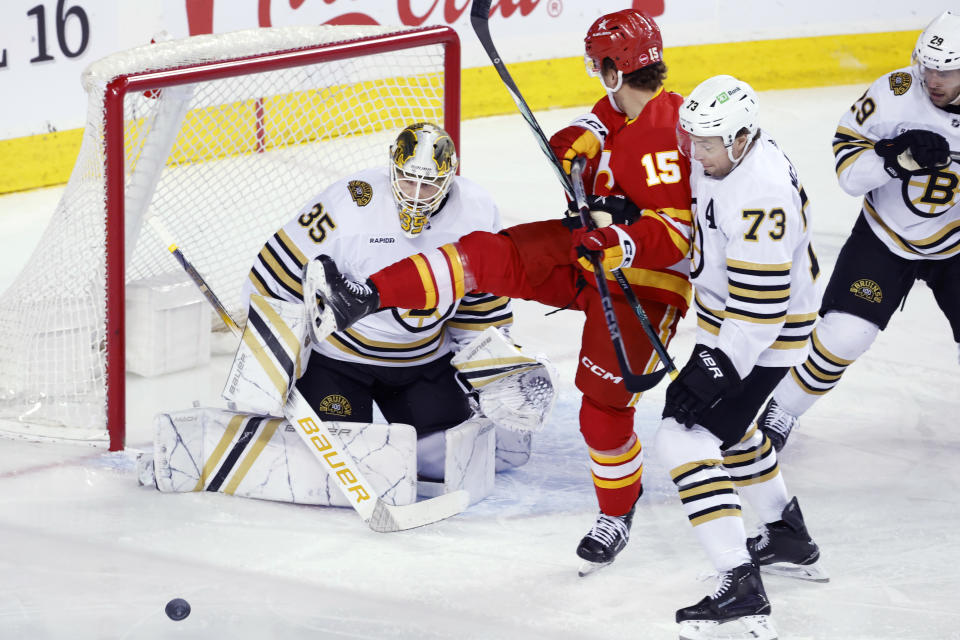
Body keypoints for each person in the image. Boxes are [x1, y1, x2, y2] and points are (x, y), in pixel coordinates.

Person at [305, 8, 693, 575]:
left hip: (644, 285)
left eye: (599, 65)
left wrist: (620, 234)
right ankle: (362, 297)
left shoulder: (663, 132)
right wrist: (584, 139)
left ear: (615, 67)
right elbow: (603, 124)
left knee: (602, 413)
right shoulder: (627, 112)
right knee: (489, 254)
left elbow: (676, 236)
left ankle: (617, 511)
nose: (596, 77)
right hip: (590, 256)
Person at [138, 122, 555, 506]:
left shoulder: (477, 209)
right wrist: (270, 352)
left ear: (450, 179)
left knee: (451, 454)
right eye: (407, 178)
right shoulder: (352, 200)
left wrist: (492, 367)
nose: (414, 192)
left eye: (428, 185)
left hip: (422, 360)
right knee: (337, 457)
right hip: (339, 362)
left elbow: (480, 297)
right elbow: (275, 271)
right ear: (392, 166)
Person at [657, 75, 827, 639]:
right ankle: (785, 532)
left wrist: (715, 367)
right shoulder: (724, 154)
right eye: (693, 139)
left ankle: (741, 588)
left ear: (743, 136)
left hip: (762, 334)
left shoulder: (760, 193)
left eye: (707, 143)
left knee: (684, 438)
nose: (695, 153)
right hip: (734, 323)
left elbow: (761, 309)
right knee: (730, 431)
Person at [758, 9, 960, 452]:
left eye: (946, 70)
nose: (933, 79)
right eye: (928, 66)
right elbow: (848, 174)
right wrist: (894, 161)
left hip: (956, 245)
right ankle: (783, 409)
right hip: (884, 236)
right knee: (845, 334)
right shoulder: (895, 92)